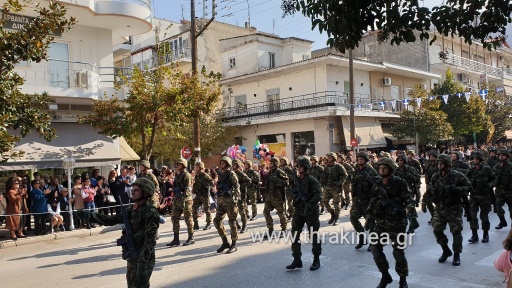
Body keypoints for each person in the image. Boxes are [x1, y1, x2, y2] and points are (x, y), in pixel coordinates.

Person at [80, 178, 160, 288]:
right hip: (132, 254)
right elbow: (110, 220)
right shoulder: (131, 209)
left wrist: (142, 264)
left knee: (141, 285)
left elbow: (149, 241)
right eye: (132, 189)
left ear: (145, 193)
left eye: (136, 190)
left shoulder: (150, 212)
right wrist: (89, 216)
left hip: (143, 257)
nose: (132, 192)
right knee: (131, 285)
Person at [367, 158, 419, 288]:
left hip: (397, 223)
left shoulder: (399, 183)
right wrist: (369, 217)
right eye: (380, 168)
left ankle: (402, 279)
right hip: (381, 222)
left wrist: (412, 216)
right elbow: (372, 201)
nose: (382, 170)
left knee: (398, 252)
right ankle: (385, 276)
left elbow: (408, 200)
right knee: (375, 248)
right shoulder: (377, 183)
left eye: (384, 168)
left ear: (390, 169)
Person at [425, 154, 472, 266]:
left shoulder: (457, 176)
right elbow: (430, 189)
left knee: (456, 232)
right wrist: (424, 201)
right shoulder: (436, 176)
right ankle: (445, 250)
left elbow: (469, 186)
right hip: (440, 208)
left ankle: (456, 255)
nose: (439, 165)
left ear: (447, 164)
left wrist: (456, 189)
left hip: (454, 208)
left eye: (442, 163)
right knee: (437, 229)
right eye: (438, 163)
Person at [286, 157, 322, 271]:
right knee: (294, 234)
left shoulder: (312, 180)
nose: (299, 168)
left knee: (313, 235)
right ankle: (297, 259)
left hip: (310, 211)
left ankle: (316, 260)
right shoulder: (298, 179)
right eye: (298, 166)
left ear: (306, 167)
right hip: (299, 211)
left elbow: (318, 196)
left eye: (301, 166)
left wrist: (309, 205)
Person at [466, 151, 496, 243]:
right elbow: (465, 180)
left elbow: (495, 179)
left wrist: (489, 185)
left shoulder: (486, 169)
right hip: (474, 197)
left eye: (476, 159)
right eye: (474, 159)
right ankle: (474, 235)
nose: (474, 160)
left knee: (484, 217)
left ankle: (485, 234)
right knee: (472, 216)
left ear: (480, 159)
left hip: (485, 196)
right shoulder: (471, 170)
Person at [351, 151, 379, 250]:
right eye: (358, 159)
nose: (359, 161)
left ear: (366, 160)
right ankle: (362, 238)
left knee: (371, 223)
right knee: (353, 218)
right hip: (357, 200)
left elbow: (377, 184)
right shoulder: (356, 170)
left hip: (368, 201)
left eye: (362, 159)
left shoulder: (371, 171)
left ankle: (373, 242)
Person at [213, 156, 240, 253]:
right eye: (221, 163)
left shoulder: (231, 173)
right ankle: (225, 241)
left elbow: (237, 186)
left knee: (232, 222)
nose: (221, 165)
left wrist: (236, 199)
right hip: (221, 200)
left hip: (230, 200)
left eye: (223, 163)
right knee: (216, 220)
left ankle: (234, 244)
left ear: (228, 164)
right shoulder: (220, 174)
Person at [166, 158, 194, 247]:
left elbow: (187, 189)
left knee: (188, 218)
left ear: (183, 165)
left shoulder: (187, 175)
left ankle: (191, 237)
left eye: (179, 164)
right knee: (174, 218)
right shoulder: (178, 175)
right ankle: (176, 239)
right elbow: (175, 186)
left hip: (185, 199)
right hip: (177, 198)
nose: (177, 166)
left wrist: (183, 198)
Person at [263, 157, 289, 239]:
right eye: (270, 163)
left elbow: (286, 182)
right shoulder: (269, 172)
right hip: (270, 196)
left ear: (276, 164)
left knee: (281, 214)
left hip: (278, 197)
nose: (270, 164)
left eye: (271, 163)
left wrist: (277, 180)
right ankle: (270, 230)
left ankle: (284, 229)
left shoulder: (279, 172)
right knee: (266, 212)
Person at [394, 153, 421, 233]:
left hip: (409, 192)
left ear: (405, 161)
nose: (400, 162)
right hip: (399, 193)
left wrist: (417, 192)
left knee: (410, 209)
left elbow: (417, 179)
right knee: (401, 211)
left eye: (401, 160)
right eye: (398, 161)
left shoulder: (411, 169)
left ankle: (412, 225)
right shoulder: (396, 170)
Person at [321, 152, 348, 226]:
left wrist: (339, 183)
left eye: (330, 157)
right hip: (328, 187)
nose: (329, 159)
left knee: (336, 203)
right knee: (324, 201)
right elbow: (324, 176)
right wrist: (322, 182)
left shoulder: (338, 166)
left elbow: (345, 175)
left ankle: (337, 217)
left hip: (336, 188)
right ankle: (332, 214)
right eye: (328, 157)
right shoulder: (326, 167)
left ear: (334, 158)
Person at [192, 161, 214, 231]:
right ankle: (196, 223)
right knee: (194, 208)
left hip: (204, 195)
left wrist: (204, 183)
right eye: (195, 167)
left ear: (200, 167)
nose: (196, 168)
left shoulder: (205, 175)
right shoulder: (197, 175)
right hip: (198, 195)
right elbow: (196, 184)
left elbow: (211, 182)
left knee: (207, 209)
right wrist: (194, 188)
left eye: (197, 167)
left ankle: (208, 223)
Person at [493, 150, 512, 230]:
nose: (501, 156)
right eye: (500, 155)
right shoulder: (496, 167)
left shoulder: (511, 166)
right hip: (499, 191)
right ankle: (502, 221)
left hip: (510, 191)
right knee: (497, 208)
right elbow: (492, 178)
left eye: (503, 155)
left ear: (507, 156)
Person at [422, 150, 439, 224]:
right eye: (430, 156)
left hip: (438, 186)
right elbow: (426, 173)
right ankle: (433, 215)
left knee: (438, 202)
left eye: (433, 156)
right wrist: (427, 183)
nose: (431, 157)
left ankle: (439, 217)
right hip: (429, 185)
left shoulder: (439, 164)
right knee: (428, 202)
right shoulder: (428, 164)